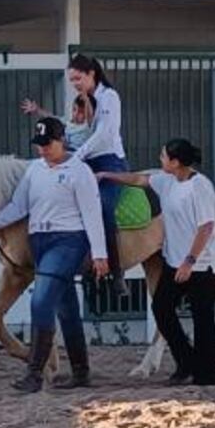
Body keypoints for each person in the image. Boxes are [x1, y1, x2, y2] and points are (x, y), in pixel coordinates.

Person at [0, 116, 109, 393]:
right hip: (41, 240)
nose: (42, 149)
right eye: (39, 145)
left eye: (48, 144)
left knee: (41, 302)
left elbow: (92, 215)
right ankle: (81, 372)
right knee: (67, 308)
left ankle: (34, 372)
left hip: (68, 241)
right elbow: (19, 207)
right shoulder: (34, 170)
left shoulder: (79, 171)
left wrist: (100, 254)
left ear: (62, 141)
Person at [98, 138, 215, 386]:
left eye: (164, 156)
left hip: (202, 265)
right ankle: (187, 360)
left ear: (176, 162)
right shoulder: (166, 181)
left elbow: (206, 227)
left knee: (202, 319)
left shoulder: (199, 187)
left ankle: (207, 376)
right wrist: (107, 175)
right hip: (175, 261)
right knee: (161, 308)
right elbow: (138, 180)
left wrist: (190, 261)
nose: (160, 159)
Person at [65, 54, 130, 297]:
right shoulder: (84, 100)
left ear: (91, 73)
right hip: (84, 161)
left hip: (110, 163)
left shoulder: (109, 97)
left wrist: (77, 156)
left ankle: (116, 271)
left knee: (102, 206)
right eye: (72, 80)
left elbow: (104, 134)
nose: (75, 84)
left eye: (78, 78)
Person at [20, 93, 96, 153]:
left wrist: (86, 99)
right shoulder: (67, 122)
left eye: (81, 112)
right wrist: (37, 110)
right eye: (74, 109)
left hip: (75, 154)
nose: (76, 114)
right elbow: (51, 117)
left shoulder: (87, 126)